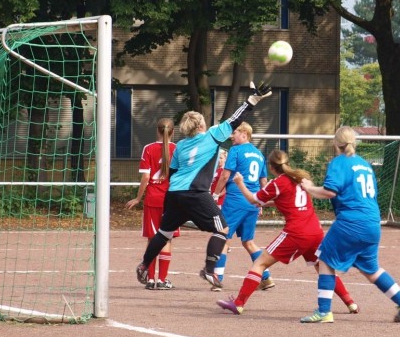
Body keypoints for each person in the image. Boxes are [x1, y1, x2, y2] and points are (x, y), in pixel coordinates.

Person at [135, 81, 272, 289]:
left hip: (175, 193)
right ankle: (209, 269)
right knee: (222, 229)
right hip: (195, 193)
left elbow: (172, 172)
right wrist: (253, 99)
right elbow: (235, 120)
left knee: (164, 233)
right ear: (200, 126)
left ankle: (144, 265)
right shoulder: (212, 136)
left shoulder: (180, 145)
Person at [215, 149, 359, 315]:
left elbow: (253, 199)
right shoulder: (300, 179)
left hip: (296, 232)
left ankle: (238, 303)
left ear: (272, 167)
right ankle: (350, 303)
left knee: (260, 263)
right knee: (324, 268)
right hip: (315, 231)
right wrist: (267, 203)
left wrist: (240, 183)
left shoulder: (277, 183)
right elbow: (287, 200)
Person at [298, 126, 400, 323]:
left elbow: (330, 192)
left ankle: (324, 311)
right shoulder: (364, 164)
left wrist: (309, 188)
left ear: (336, 143)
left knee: (325, 260)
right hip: (372, 223)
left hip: (351, 222)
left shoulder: (339, 163)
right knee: (372, 269)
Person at [211, 122, 274, 292]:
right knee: (248, 241)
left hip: (235, 200)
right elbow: (263, 182)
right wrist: (260, 202)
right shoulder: (260, 154)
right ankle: (266, 277)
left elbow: (225, 176)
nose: (232, 136)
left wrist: (215, 194)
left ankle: (217, 278)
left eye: (235, 133)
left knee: (223, 237)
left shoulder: (236, 151)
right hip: (252, 201)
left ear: (245, 134)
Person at [126, 118, 179, 290]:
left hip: (153, 199)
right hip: (171, 200)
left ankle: (150, 279)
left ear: (157, 131)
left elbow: (146, 177)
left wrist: (138, 198)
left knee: (152, 239)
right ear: (173, 131)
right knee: (167, 239)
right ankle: (163, 280)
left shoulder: (148, 149)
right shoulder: (177, 149)